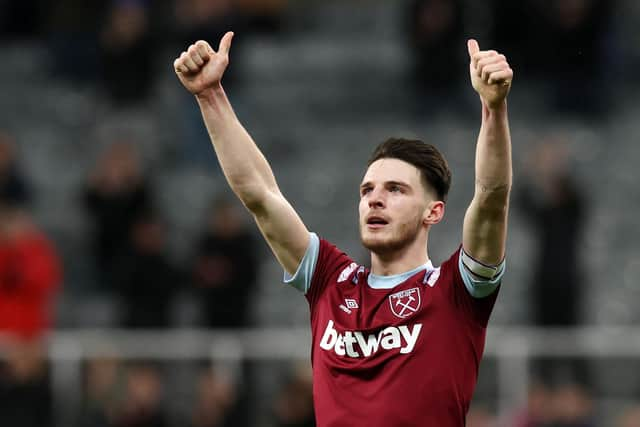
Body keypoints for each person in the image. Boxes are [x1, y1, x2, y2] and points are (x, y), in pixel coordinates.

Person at [173, 31, 513, 426]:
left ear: (433, 212)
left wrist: (494, 108)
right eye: (367, 190)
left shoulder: (456, 292)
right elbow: (261, 195)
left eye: (396, 190)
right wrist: (209, 95)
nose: (375, 199)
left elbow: (491, 195)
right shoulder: (331, 283)